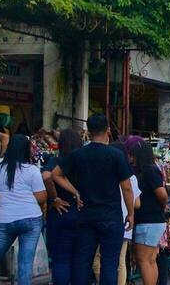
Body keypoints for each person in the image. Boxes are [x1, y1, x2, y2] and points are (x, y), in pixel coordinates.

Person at [57, 115, 133, 285]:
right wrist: (131, 213)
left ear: (88, 132)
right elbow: (126, 187)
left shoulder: (78, 154)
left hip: (86, 215)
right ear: (108, 130)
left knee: (83, 261)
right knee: (109, 263)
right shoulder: (116, 155)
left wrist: (75, 192)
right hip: (111, 216)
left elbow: (55, 174)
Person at [0, 134, 48, 285]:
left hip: (6, 221)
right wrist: (27, 194)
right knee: (25, 263)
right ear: (25, 150)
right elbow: (41, 197)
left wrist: (6, 193)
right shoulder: (32, 170)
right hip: (31, 221)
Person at [45, 128, 86, 285]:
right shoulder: (84, 162)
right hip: (82, 213)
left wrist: (54, 198)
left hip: (60, 213)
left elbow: (46, 176)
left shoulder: (57, 161)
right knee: (80, 261)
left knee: (61, 260)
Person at [129, 141, 169, 285]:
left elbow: (162, 194)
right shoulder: (151, 170)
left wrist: (163, 205)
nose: (130, 158)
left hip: (148, 221)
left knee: (144, 260)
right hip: (154, 221)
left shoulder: (149, 171)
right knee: (151, 260)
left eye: (132, 155)